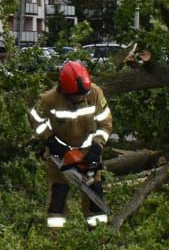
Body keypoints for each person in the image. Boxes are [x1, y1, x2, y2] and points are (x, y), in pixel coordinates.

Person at [28, 60, 113, 229]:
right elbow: (35, 119)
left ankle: (99, 237)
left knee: (95, 195)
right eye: (77, 95)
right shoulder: (49, 99)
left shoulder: (95, 94)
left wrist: (96, 147)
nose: (81, 97)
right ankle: (55, 239)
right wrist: (51, 142)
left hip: (88, 151)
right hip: (59, 153)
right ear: (65, 90)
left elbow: (105, 124)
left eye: (83, 94)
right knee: (58, 196)